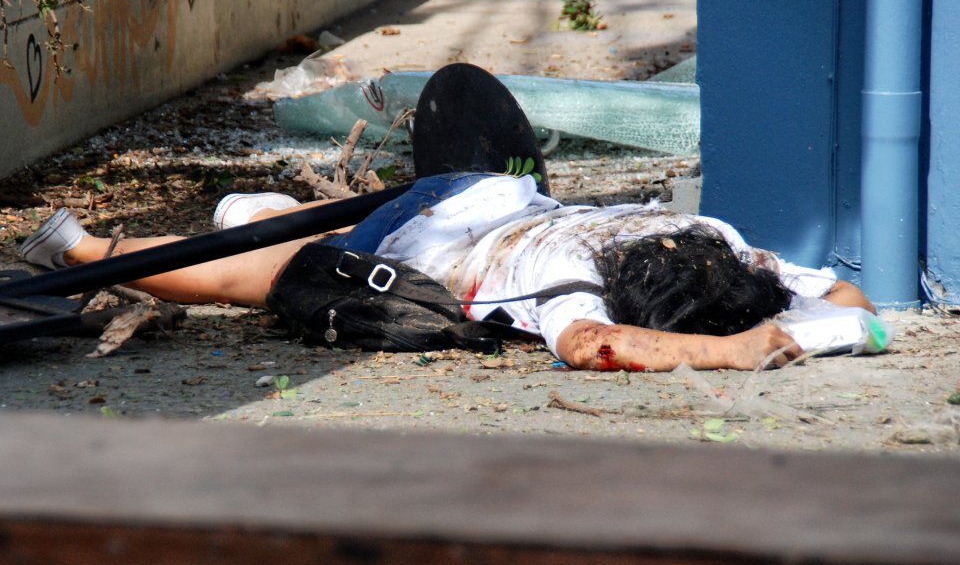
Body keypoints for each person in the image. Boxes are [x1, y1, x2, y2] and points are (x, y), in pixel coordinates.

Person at [20, 172, 875, 372]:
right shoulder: (564, 282)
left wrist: (820, 325)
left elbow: (849, 299)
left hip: (484, 190)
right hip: (425, 240)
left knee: (320, 225)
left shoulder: (709, 236)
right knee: (248, 276)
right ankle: (78, 252)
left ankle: (254, 210)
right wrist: (737, 351)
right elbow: (592, 345)